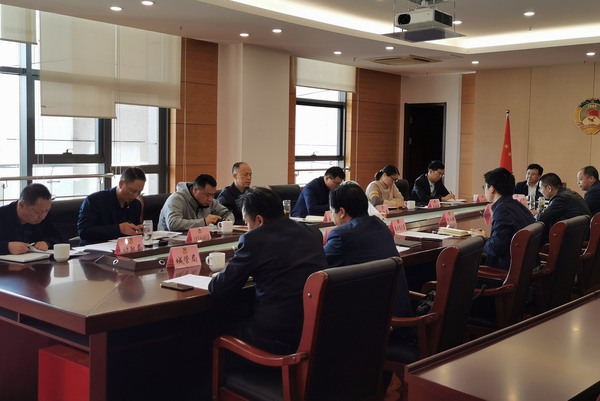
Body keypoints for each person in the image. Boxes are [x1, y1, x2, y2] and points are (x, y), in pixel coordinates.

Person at [208, 188, 327, 354]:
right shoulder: (312, 232)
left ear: (259, 220)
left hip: (274, 336)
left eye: (247, 222)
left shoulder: (254, 239)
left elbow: (219, 288)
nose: (247, 228)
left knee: (211, 327)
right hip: (314, 328)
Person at [472, 168, 535, 270]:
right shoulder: (517, 205)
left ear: (492, 189)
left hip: (506, 271)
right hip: (525, 267)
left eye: (485, 187)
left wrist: (482, 239)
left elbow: (496, 248)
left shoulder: (503, 210)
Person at [77, 167, 146, 245]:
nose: (135, 195)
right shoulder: (95, 200)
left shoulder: (135, 204)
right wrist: (118, 229)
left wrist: (138, 229)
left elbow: (135, 226)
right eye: (133, 191)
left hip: (124, 248)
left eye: (139, 192)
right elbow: (84, 232)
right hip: (94, 248)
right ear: (121, 184)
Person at [0, 183, 62, 255]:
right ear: (21, 205)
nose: (42, 217)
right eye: (37, 212)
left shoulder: (43, 213)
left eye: (46, 211)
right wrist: (7, 247)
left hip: (37, 260)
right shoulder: (2, 214)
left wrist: (47, 242)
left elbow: (57, 237)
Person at [157, 174, 233, 231]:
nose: (210, 199)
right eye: (207, 195)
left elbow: (227, 213)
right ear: (195, 190)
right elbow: (173, 224)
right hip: (169, 243)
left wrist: (227, 221)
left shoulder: (211, 201)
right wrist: (204, 222)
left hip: (198, 240)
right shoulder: (176, 199)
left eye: (213, 195)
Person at [534, 173, 591, 244]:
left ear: (549, 188)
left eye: (541, 188)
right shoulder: (568, 192)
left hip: (573, 240)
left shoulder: (560, 198)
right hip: (581, 234)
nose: (540, 191)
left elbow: (541, 218)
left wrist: (533, 216)